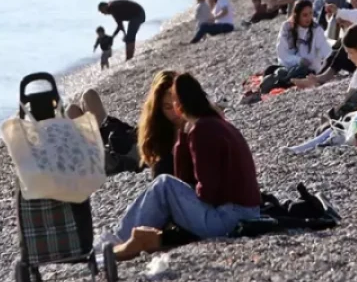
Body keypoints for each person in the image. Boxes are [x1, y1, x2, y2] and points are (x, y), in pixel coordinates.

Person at [104, 73, 261, 260]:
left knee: (164, 184)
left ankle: (116, 241)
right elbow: (186, 178)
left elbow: (207, 192)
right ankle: (121, 239)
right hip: (245, 213)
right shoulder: (216, 124)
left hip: (229, 219)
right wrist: (183, 140)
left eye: (174, 105)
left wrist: (186, 199)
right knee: (167, 186)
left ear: (180, 106)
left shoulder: (202, 130)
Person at [275, 0, 331, 75]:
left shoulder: (316, 29)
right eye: (305, 15)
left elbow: (325, 48)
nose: (309, 18)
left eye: (310, 13)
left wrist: (332, 60)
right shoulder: (287, 28)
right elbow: (282, 54)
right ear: (297, 16)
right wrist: (299, 60)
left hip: (311, 68)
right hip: (289, 66)